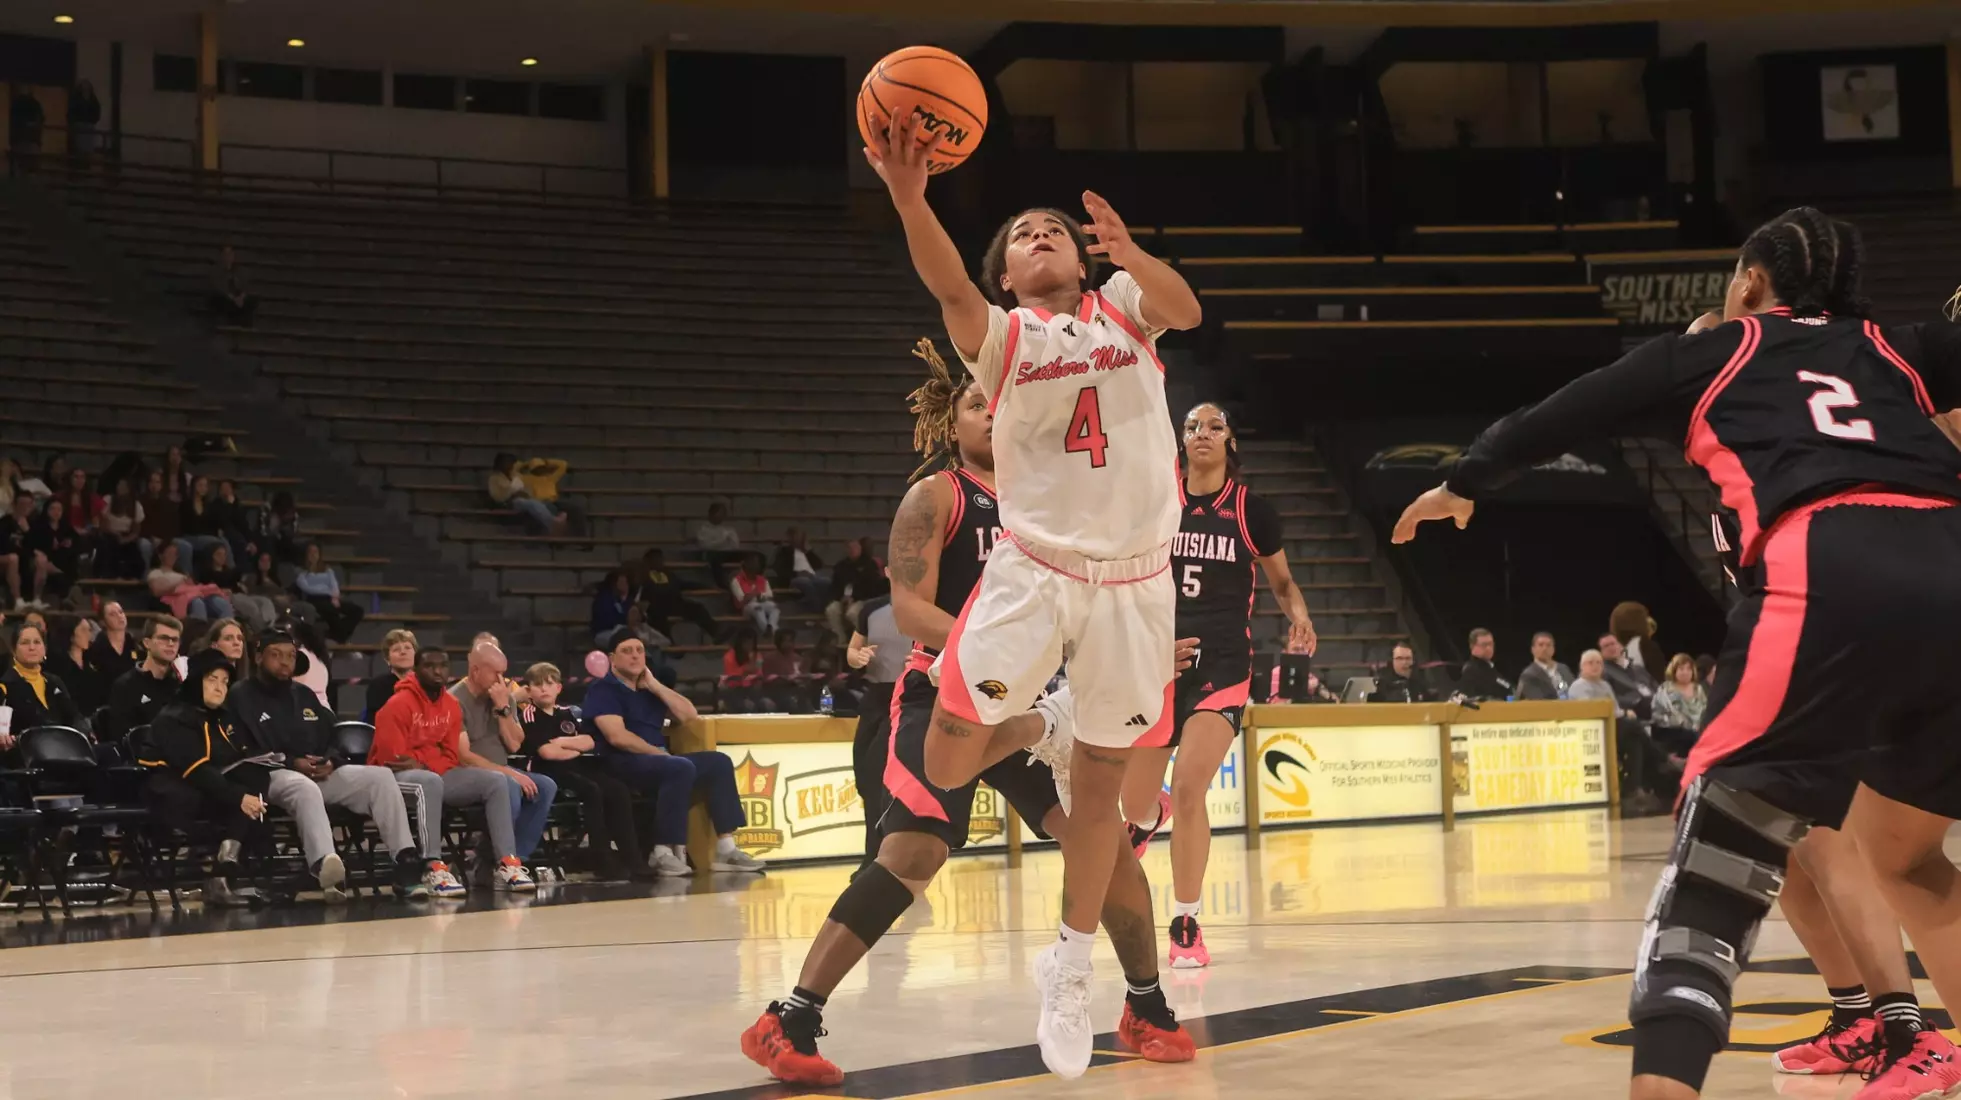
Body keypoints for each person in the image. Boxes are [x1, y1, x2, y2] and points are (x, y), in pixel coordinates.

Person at [1390, 207, 1961, 1099]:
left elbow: (1563, 411)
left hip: (1831, 563)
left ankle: (1702, 1069)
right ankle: (1884, 1021)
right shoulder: (1897, 347)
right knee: (1903, 859)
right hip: (1950, 559)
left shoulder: (1713, 351)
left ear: (1750, 284)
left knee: (1717, 864)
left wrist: (1465, 480)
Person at [740, 346, 1193, 1086]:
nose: (993, 411)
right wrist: (1000, 652)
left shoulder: (1056, 506)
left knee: (1102, 841)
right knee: (914, 855)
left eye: (1000, 401)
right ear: (952, 425)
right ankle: (787, 1015)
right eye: (977, 403)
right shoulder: (939, 497)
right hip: (946, 694)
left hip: (1038, 706)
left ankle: (1143, 1004)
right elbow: (909, 610)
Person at [869, 103, 1206, 1077]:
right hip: (1037, 569)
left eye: (1052, 225)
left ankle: (1067, 962)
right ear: (1006, 277)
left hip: (1138, 583)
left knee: (1102, 790)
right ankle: (1032, 722)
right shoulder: (1005, 338)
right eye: (1021, 235)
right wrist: (905, 193)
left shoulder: (1122, 307)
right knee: (943, 749)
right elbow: (943, 283)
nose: (1040, 234)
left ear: (1080, 253)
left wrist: (1134, 254)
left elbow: (1184, 309)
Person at [1118, 401, 1315, 969]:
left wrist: (1299, 615)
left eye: (1214, 427)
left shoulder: (1252, 510)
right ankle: (1148, 815)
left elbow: (1281, 583)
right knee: (1132, 804)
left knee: (1190, 789)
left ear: (1231, 442)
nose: (1202, 434)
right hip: (1157, 665)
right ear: (1179, 440)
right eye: (1192, 426)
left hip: (1223, 666)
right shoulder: (1157, 502)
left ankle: (1186, 921)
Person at [229, 630, 441, 899]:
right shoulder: (241, 695)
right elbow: (244, 749)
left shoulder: (304, 695)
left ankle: (404, 861)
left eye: (291, 656)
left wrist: (331, 760)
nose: (285, 662)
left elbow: (334, 735)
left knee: (380, 777)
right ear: (259, 657)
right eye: (276, 655)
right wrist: (294, 762)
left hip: (317, 772)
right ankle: (324, 865)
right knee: (302, 786)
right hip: (270, 776)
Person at [583, 627, 763, 876]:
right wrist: (659, 754)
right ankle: (662, 852)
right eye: (627, 651)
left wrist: (656, 686)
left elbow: (690, 716)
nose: (635, 656)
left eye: (639, 651)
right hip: (620, 762)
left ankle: (726, 848)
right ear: (612, 658)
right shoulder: (603, 690)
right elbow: (617, 737)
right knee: (678, 766)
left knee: (718, 762)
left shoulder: (650, 690)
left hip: (658, 760)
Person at [368, 646, 532, 892]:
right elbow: (393, 757)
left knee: (496, 781)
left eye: (442, 666)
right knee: (430, 782)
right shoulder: (398, 704)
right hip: (390, 778)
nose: (437, 672)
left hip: (433, 771)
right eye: (429, 666)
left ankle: (507, 863)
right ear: (416, 670)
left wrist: (424, 762)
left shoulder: (450, 704)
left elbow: (452, 755)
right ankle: (432, 867)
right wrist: (429, 762)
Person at [134, 649, 269, 907]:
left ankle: (228, 863)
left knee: (255, 776)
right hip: (170, 792)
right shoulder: (174, 717)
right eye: (212, 679)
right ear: (196, 681)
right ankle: (224, 869)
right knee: (239, 798)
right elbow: (194, 768)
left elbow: (230, 758)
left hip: (205, 787)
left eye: (225, 682)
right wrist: (239, 797)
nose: (220, 688)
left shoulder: (219, 718)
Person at [518, 662, 649, 881]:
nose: (544, 689)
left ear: (559, 688)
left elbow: (589, 741)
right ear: (528, 690)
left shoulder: (566, 713)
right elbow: (548, 753)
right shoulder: (530, 716)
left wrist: (562, 743)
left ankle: (632, 858)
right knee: (592, 790)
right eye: (538, 685)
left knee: (617, 789)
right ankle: (602, 859)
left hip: (576, 766)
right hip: (547, 772)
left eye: (549, 684)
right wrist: (572, 747)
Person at [449, 643, 558, 871]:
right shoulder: (454, 701)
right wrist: (507, 772)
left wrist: (503, 708)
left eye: (503, 673)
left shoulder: (503, 697)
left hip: (501, 768)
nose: (501, 679)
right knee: (507, 784)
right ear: (475, 670)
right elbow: (464, 756)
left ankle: (515, 860)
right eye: (495, 673)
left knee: (545, 786)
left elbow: (514, 744)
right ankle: (498, 861)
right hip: (468, 772)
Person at [845, 589, 905, 865]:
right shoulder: (871, 608)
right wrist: (857, 657)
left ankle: (877, 857)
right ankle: (877, 853)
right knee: (864, 775)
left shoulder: (930, 605)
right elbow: (852, 649)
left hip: (907, 696)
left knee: (877, 773)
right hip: (875, 696)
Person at [0, 622, 88, 737]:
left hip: (62, 746)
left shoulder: (54, 682)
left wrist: (85, 732)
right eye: (24, 643)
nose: (32, 647)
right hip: (26, 750)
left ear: (44, 649)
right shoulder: (5, 686)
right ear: (14, 650)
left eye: (37, 642)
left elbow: (74, 716)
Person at [488, 453, 585, 538]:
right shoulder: (495, 478)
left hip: (532, 499)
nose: (510, 465)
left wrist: (545, 462)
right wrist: (513, 493)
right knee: (533, 504)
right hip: (510, 502)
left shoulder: (516, 476)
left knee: (572, 508)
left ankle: (573, 536)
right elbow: (498, 496)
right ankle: (553, 524)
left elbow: (563, 465)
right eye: (507, 463)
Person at [638, 548, 720, 643]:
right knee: (658, 618)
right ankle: (669, 645)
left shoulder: (668, 574)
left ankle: (716, 633)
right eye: (657, 559)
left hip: (674, 604)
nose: (660, 561)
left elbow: (684, 584)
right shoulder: (644, 576)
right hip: (656, 608)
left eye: (661, 558)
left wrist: (707, 587)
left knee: (697, 608)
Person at [293, 543, 363, 644]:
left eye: (315, 552)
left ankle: (337, 634)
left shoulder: (327, 570)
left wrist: (335, 597)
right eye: (310, 552)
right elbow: (308, 589)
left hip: (331, 598)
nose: (313, 555)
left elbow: (334, 584)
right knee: (330, 609)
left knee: (357, 610)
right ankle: (340, 637)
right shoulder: (301, 573)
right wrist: (329, 592)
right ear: (306, 555)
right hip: (314, 599)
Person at [148, 541, 233, 622]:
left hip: (197, 595)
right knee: (197, 602)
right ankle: (198, 633)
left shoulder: (182, 573)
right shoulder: (156, 573)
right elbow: (156, 591)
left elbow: (194, 588)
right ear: (161, 555)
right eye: (170, 553)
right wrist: (178, 584)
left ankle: (228, 630)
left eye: (175, 554)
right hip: (178, 598)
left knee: (221, 602)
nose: (173, 556)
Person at [201, 544, 274, 632]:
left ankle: (269, 625)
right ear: (212, 556)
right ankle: (262, 630)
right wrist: (220, 591)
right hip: (226, 597)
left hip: (239, 594)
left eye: (224, 554)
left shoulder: (229, 571)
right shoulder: (207, 573)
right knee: (252, 607)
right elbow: (205, 588)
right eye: (218, 554)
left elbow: (238, 577)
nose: (222, 557)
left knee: (265, 601)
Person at [1650, 652, 1709, 755]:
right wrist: (1679, 723)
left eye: (1688, 669)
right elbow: (1657, 715)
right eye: (1681, 669)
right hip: (1671, 731)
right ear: (1674, 671)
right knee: (1692, 736)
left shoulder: (1698, 689)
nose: (1685, 672)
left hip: (1698, 729)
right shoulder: (1666, 689)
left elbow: (1705, 710)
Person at [47, 618, 107, 717]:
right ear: (71, 635)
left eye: (89, 630)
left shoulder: (92, 662)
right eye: (83, 630)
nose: (89, 635)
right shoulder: (58, 666)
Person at [823, 539, 879, 641]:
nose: (852, 550)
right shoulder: (841, 566)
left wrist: (854, 597)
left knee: (852, 613)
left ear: (860, 549)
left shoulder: (869, 565)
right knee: (831, 610)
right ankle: (841, 639)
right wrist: (841, 598)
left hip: (863, 599)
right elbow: (835, 586)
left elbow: (872, 588)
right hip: (843, 598)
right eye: (849, 548)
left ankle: (865, 641)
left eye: (855, 547)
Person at [26, 497, 78, 605]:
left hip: (62, 561)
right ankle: (37, 599)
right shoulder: (38, 526)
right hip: (41, 561)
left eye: (59, 509)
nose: (56, 512)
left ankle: (66, 600)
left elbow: (77, 543)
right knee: (44, 565)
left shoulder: (66, 527)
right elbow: (28, 545)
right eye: (52, 509)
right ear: (46, 510)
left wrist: (68, 544)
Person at [0, 493, 45, 610]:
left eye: (28, 505)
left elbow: (38, 546)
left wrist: (27, 531)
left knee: (41, 559)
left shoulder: (34, 524)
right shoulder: (4, 523)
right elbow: (5, 546)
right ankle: (18, 600)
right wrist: (28, 551)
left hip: (23, 559)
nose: (25, 508)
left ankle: (37, 600)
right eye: (22, 504)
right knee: (13, 558)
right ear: (14, 505)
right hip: (5, 557)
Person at [91, 602, 146, 695]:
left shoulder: (135, 644)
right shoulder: (97, 647)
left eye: (121, 612)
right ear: (103, 622)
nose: (119, 616)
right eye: (112, 614)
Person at [364, 629, 418, 722]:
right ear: (387, 659)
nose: (403, 652)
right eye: (396, 649)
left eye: (407, 648)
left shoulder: (426, 683)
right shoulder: (378, 686)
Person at [96, 479, 146, 579]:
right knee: (108, 546)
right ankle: (108, 577)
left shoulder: (136, 506)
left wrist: (126, 539)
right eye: (119, 486)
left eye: (124, 487)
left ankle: (132, 579)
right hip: (110, 533)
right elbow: (103, 525)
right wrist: (115, 534)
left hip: (127, 536)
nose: (120, 489)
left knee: (135, 553)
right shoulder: (108, 500)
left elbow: (136, 531)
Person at [772, 526, 827, 607]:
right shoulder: (784, 552)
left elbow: (819, 564)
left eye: (801, 537)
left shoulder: (807, 552)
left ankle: (815, 601)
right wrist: (798, 574)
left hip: (812, 577)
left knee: (826, 581)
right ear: (791, 538)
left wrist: (808, 550)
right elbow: (780, 570)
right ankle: (818, 605)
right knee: (804, 581)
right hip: (795, 579)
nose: (799, 539)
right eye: (796, 536)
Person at [730, 553, 779, 636]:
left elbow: (769, 596)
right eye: (753, 562)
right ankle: (767, 630)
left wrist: (758, 595)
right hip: (746, 607)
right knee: (757, 608)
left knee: (774, 608)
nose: (755, 565)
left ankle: (771, 628)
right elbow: (741, 599)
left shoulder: (763, 580)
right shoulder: (736, 581)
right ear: (747, 564)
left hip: (762, 602)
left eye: (756, 563)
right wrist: (754, 595)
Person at [1516, 632, 1575, 700]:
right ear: (1533, 649)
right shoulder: (1528, 675)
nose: (1545, 648)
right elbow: (1541, 702)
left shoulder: (1564, 669)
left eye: (1548, 645)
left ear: (1553, 649)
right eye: (1541, 645)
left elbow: (1575, 691)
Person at [1456, 628, 1512, 700]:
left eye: (1491, 644)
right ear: (1472, 646)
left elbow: (1508, 692)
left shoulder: (1493, 668)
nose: (1488, 648)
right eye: (1484, 645)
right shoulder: (1471, 670)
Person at [209, 246, 257, 327]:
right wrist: (232, 298)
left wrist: (241, 297)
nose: (228, 257)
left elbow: (245, 286)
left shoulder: (239, 271)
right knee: (217, 299)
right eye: (226, 254)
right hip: (225, 298)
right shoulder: (216, 271)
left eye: (230, 254)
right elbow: (217, 286)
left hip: (238, 298)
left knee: (252, 300)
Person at [694, 501, 741, 583]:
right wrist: (723, 540)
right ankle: (722, 583)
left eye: (723, 513)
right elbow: (705, 545)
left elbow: (735, 546)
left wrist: (728, 539)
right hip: (712, 556)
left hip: (727, 555)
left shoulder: (728, 530)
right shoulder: (703, 530)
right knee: (715, 559)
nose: (722, 516)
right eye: (720, 513)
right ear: (711, 513)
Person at [591, 570, 634, 646]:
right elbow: (607, 621)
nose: (625, 585)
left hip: (622, 631)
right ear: (614, 584)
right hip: (604, 632)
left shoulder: (625, 600)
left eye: (626, 582)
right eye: (622, 582)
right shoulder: (604, 599)